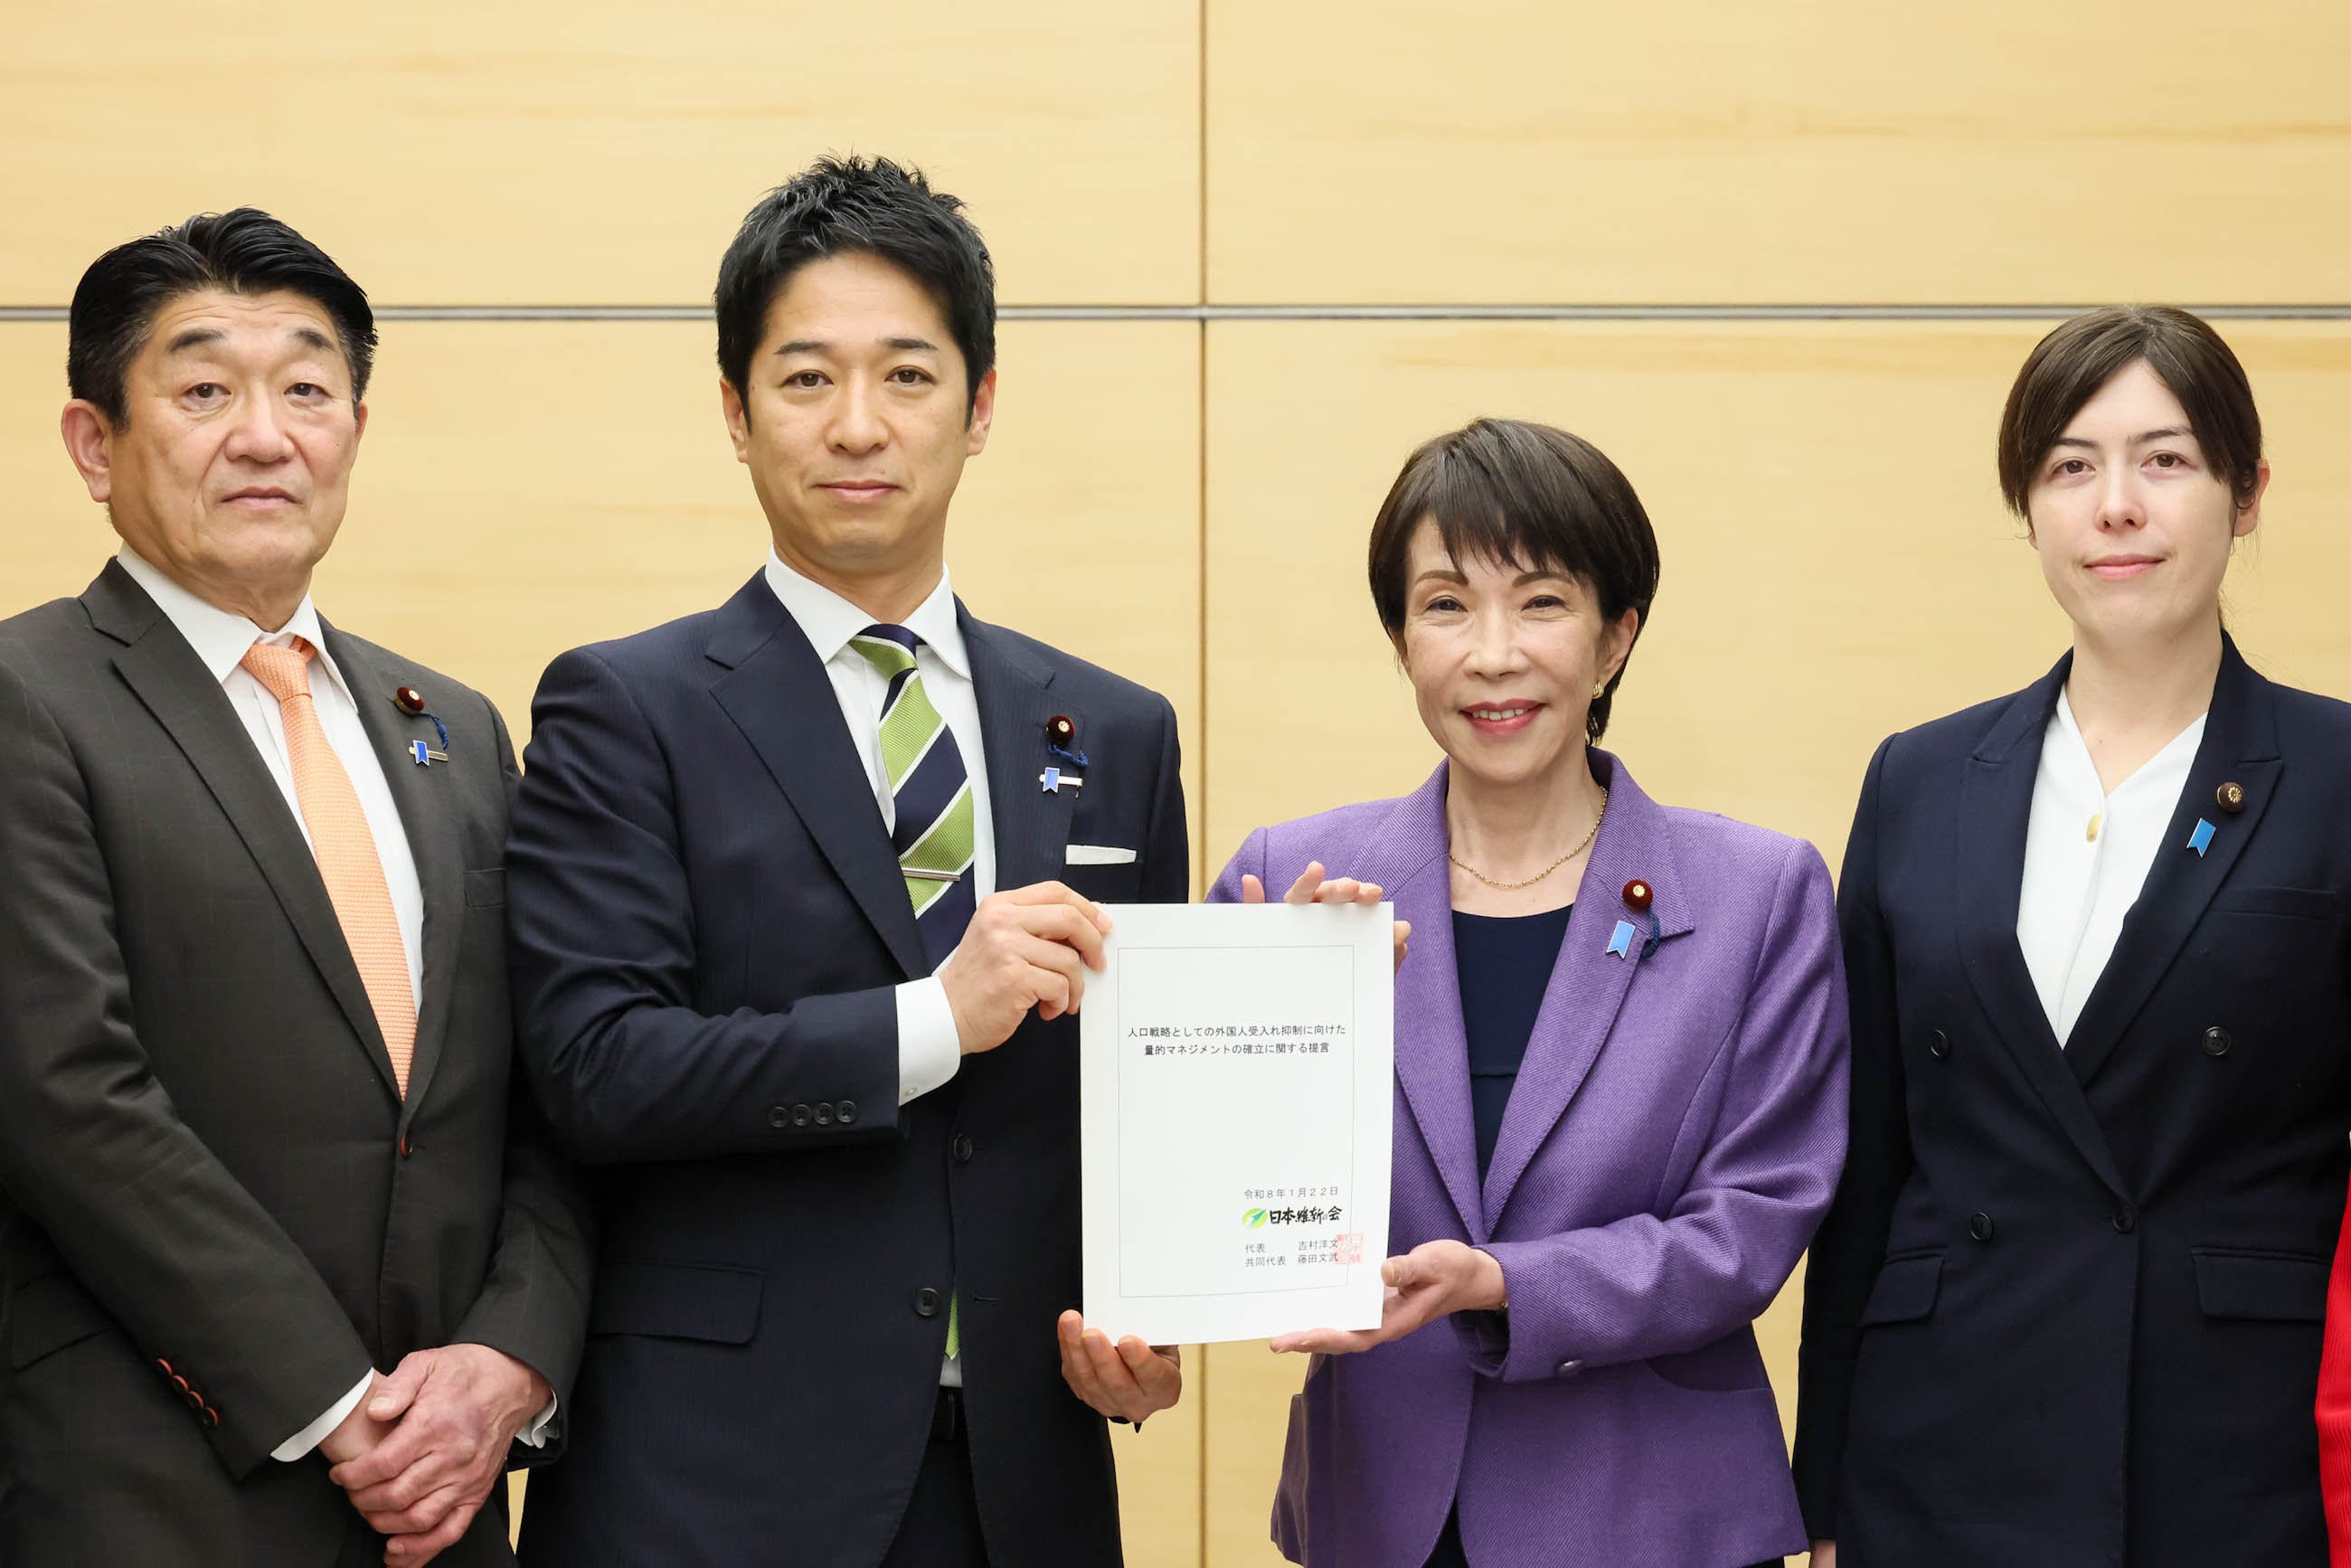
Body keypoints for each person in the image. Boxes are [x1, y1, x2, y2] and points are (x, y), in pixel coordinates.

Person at [505, 156, 1189, 1568]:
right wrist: (933, 1017)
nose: (858, 424)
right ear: (735, 412)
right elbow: (596, 1067)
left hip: (1020, 1483)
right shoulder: (626, 707)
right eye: (807, 378)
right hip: (712, 1484)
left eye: (909, 376)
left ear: (980, 406)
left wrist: (1151, 1315)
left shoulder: (1114, 729)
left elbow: (1133, 1098)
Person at [0, 210, 592, 1568]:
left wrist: (510, 1356)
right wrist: (339, 1405)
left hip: (443, 1501)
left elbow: (547, 1091)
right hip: (147, 1490)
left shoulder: (457, 726)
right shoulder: (29, 698)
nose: (266, 437)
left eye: (308, 391)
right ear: (94, 443)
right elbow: (65, 1094)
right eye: (204, 390)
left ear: (355, 433)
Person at [1209, 418, 1849, 1568]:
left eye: (1541, 602)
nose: (1491, 653)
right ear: (1400, 640)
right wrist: (1288, 1036)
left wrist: (1509, 1283)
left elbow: (1749, 1225)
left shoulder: (1757, 895)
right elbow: (1214, 1191)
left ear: (1615, 638)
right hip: (1384, 1516)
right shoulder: (1291, 880)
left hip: (1658, 1521)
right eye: (1445, 605)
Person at [1794, 306, 2351, 1566]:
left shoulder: (2335, 774)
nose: (2115, 507)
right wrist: (1821, 1500)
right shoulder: (1918, 778)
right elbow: (1866, 1168)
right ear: (2027, 505)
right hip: (1939, 1450)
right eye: (2068, 466)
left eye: (2165, 460)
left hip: (2233, 1455)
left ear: (2246, 494)